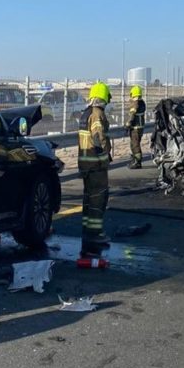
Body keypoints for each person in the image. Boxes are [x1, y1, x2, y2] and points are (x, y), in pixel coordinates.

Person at [77, 82, 113, 257]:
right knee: (98, 200)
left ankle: (87, 231)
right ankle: (95, 234)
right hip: (96, 164)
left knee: (88, 199)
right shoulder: (97, 114)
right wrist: (105, 157)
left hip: (85, 164)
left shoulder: (86, 113)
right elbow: (98, 137)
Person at [126, 85, 147, 169]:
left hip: (135, 127)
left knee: (135, 145)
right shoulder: (142, 103)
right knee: (135, 143)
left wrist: (128, 124)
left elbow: (132, 115)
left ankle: (137, 161)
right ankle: (135, 159)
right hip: (140, 127)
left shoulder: (135, 104)